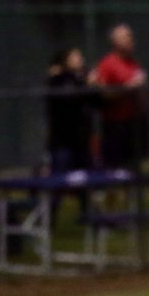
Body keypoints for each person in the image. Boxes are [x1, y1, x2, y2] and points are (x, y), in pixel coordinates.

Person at [46, 48, 96, 219]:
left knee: (85, 180)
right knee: (58, 182)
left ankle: (89, 217)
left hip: (80, 140)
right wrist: (85, 84)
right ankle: (49, 218)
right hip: (62, 141)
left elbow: (96, 102)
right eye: (75, 57)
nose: (80, 59)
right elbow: (69, 101)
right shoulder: (58, 80)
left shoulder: (82, 77)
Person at [93, 24, 149, 170]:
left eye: (131, 36)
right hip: (115, 124)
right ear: (115, 41)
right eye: (127, 37)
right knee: (115, 169)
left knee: (134, 167)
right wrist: (129, 87)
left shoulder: (133, 63)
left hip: (134, 122)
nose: (131, 40)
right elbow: (104, 94)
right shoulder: (108, 64)